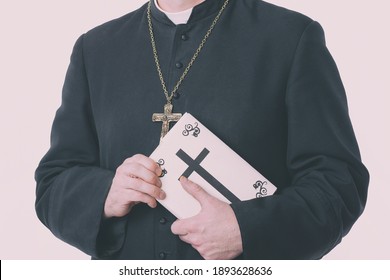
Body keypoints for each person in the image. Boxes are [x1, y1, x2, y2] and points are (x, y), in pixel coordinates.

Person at [35, 0, 369, 260]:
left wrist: (246, 229)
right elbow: (53, 183)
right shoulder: (95, 49)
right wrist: (105, 194)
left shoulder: (290, 37)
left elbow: (338, 185)